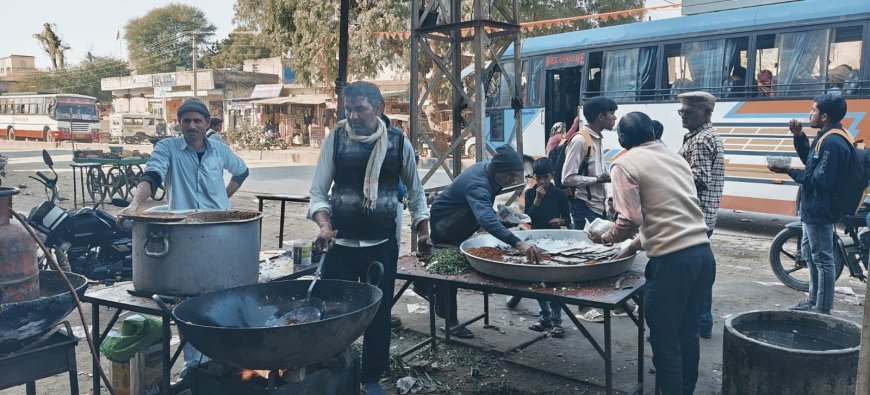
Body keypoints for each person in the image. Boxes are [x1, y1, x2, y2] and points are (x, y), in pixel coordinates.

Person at [308, 81, 433, 395]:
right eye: (348, 109)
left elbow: (417, 195)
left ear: (379, 109)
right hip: (340, 245)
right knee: (334, 311)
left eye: (359, 109)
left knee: (377, 314)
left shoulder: (397, 143)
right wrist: (324, 226)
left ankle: (371, 378)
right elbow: (318, 193)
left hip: (381, 244)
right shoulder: (335, 140)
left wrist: (423, 232)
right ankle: (335, 369)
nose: (351, 115)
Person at [118, 98, 250, 387]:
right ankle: (193, 367)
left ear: (206, 124)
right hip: (186, 237)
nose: (192, 125)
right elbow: (151, 175)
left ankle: (227, 361)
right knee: (188, 303)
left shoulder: (220, 150)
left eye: (197, 120)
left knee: (226, 297)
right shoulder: (168, 148)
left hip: (223, 234)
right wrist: (134, 205)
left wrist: (225, 198)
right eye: (186, 120)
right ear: (179, 123)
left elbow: (241, 171)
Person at [588, 111, 715, 395]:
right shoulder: (675, 158)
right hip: (703, 256)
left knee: (665, 339)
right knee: (687, 332)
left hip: (673, 263)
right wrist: (630, 246)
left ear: (621, 139)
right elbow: (668, 213)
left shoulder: (624, 164)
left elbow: (630, 219)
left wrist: (608, 238)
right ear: (653, 134)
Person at [420, 145, 545, 338]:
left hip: (458, 218)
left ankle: (426, 290)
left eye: (515, 175)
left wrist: (504, 217)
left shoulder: (489, 172)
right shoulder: (478, 182)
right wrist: (518, 244)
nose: (512, 180)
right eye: (510, 175)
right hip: (446, 225)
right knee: (448, 270)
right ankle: (449, 321)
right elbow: (485, 218)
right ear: (498, 170)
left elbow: (485, 208)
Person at [769, 94, 851, 315]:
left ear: (824, 116)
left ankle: (822, 309)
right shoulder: (825, 137)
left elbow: (820, 179)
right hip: (812, 208)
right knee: (811, 254)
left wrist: (788, 171)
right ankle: (812, 300)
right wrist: (799, 136)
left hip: (820, 209)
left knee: (823, 259)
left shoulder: (833, 142)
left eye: (813, 110)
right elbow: (811, 163)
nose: (809, 113)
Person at [562, 97, 617, 323]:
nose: (615, 118)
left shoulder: (596, 139)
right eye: (612, 114)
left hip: (597, 204)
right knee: (586, 257)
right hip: (583, 207)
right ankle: (583, 307)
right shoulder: (580, 140)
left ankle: (610, 301)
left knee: (603, 253)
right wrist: (597, 179)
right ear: (601, 116)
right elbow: (567, 178)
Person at [676, 91, 725, 339]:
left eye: (689, 112)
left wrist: (670, 182)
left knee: (692, 276)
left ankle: (698, 323)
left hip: (695, 218)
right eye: (681, 111)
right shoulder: (703, 136)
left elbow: (699, 180)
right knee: (701, 272)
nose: (683, 116)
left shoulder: (701, 140)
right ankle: (703, 322)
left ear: (706, 113)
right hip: (703, 216)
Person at [524, 158, 570, 338]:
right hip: (536, 240)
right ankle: (545, 317)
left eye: (546, 177)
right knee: (537, 280)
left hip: (554, 241)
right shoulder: (529, 194)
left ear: (553, 176)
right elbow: (528, 219)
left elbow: (568, 219)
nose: (542, 182)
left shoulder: (559, 194)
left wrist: (561, 221)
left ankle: (557, 321)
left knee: (553, 282)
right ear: (534, 177)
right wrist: (537, 200)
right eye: (539, 178)